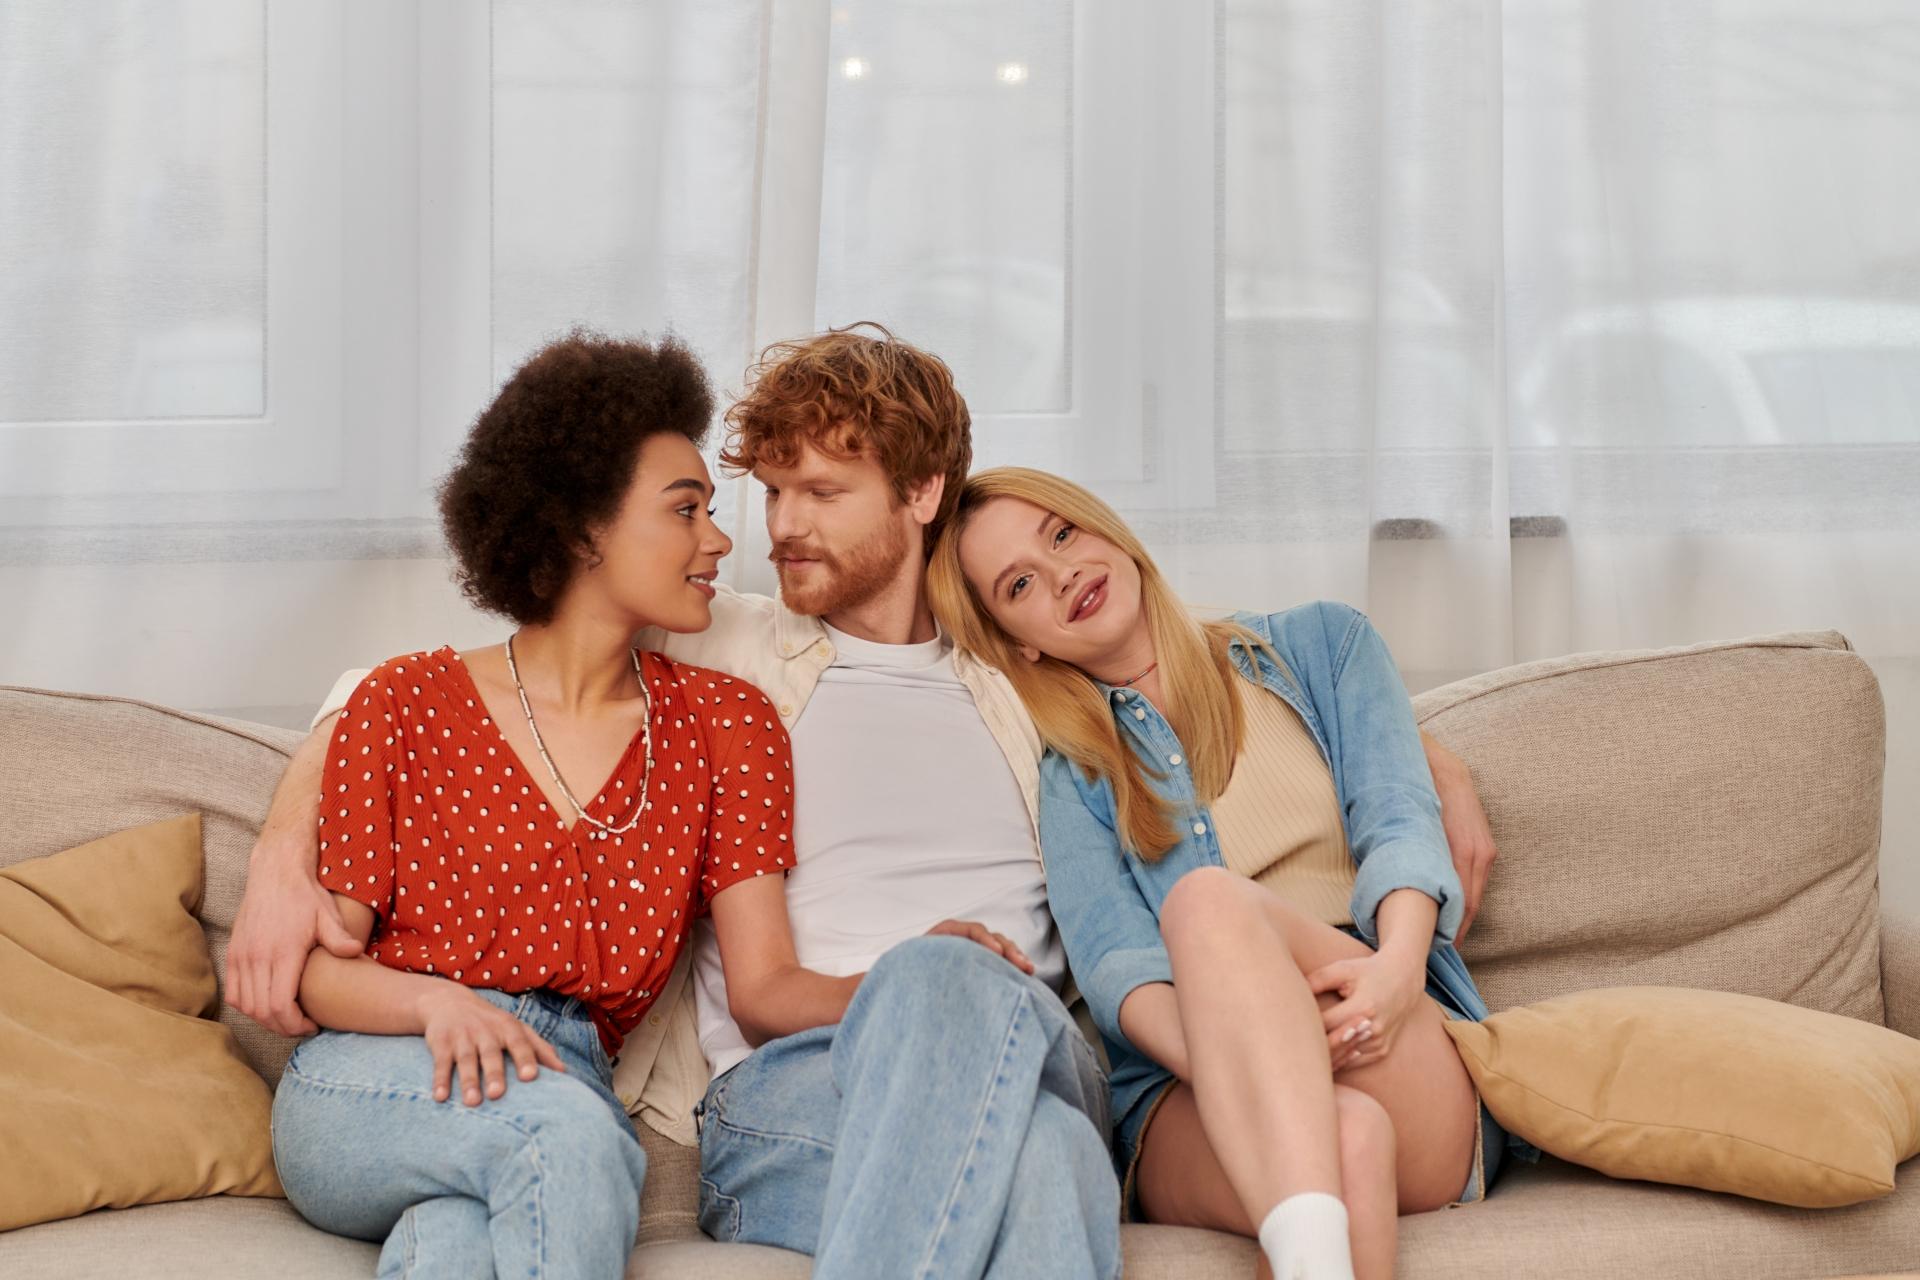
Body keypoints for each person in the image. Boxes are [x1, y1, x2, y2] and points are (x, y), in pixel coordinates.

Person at [231, 325, 1499, 1279]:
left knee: (976, 1012)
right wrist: (292, 837)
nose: (776, 530)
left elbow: (1190, 643)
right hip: (784, 1087)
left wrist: (1425, 754)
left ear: (921, 494)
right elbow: (441, 684)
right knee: (1051, 1157)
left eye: (819, 493)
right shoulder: (723, 652)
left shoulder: (1031, 681)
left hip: (1020, 1042)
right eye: (765, 494)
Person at [269, 332, 848, 1277]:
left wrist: (922, 984)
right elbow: (321, 973)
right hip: (374, 1076)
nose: (719, 539)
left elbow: (765, 982)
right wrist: (436, 1006)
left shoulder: (726, 725)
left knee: (453, 1246)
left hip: (561, 1081)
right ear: (584, 528)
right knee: (571, 1144)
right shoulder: (404, 701)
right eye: (686, 508)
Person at [926, 467, 1534, 1280]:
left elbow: (1399, 822)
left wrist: (1394, 972)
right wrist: (1247, 1055)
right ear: (1020, 641)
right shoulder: (1074, 773)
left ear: (1103, 526)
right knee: (1344, 1137)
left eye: (1061, 533)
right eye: (1021, 584)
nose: (1062, 572)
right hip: (1191, 1079)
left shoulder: (1325, 645)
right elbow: (1116, 969)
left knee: (1206, 901)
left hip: (1375, 1013)